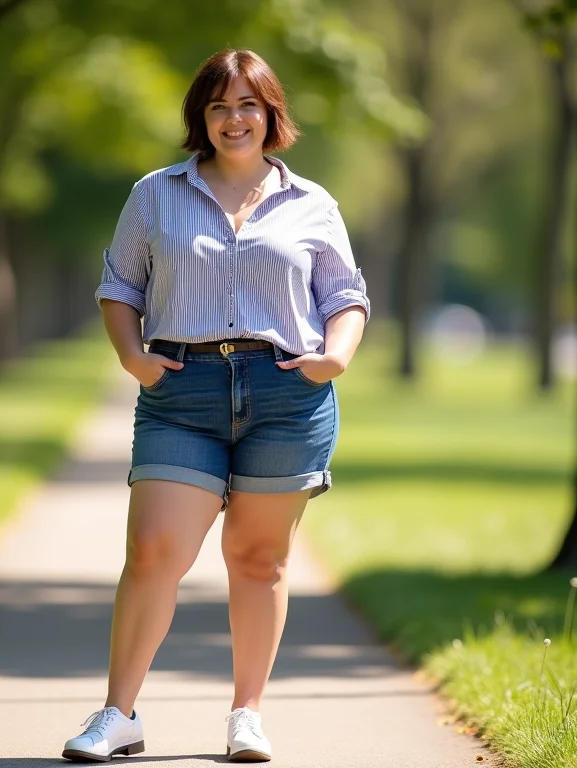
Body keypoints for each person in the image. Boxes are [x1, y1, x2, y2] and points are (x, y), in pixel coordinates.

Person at [61, 48, 370, 763]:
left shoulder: (313, 203)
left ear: (271, 114)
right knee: (153, 550)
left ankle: (246, 716)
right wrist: (132, 357)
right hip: (182, 391)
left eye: (248, 105)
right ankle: (118, 714)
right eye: (219, 107)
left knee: (258, 560)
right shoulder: (155, 194)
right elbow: (120, 286)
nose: (234, 119)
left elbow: (344, 297)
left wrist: (335, 357)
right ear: (201, 117)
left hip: (287, 395)